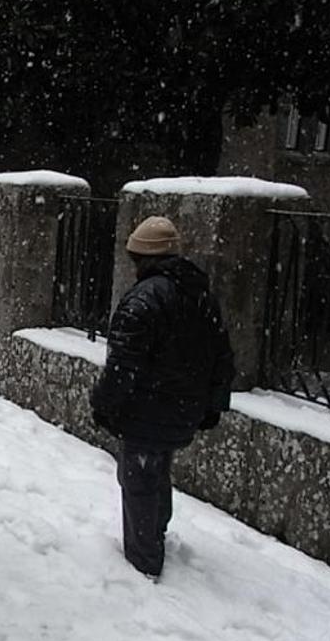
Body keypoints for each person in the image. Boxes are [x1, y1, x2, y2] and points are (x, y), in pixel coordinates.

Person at [91, 216, 235, 581]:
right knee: (156, 470)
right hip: (183, 408)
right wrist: (212, 405)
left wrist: (103, 403)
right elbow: (222, 355)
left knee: (139, 479)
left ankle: (144, 563)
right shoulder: (201, 295)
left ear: (139, 256)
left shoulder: (144, 299)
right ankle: (156, 535)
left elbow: (123, 364)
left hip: (146, 409)